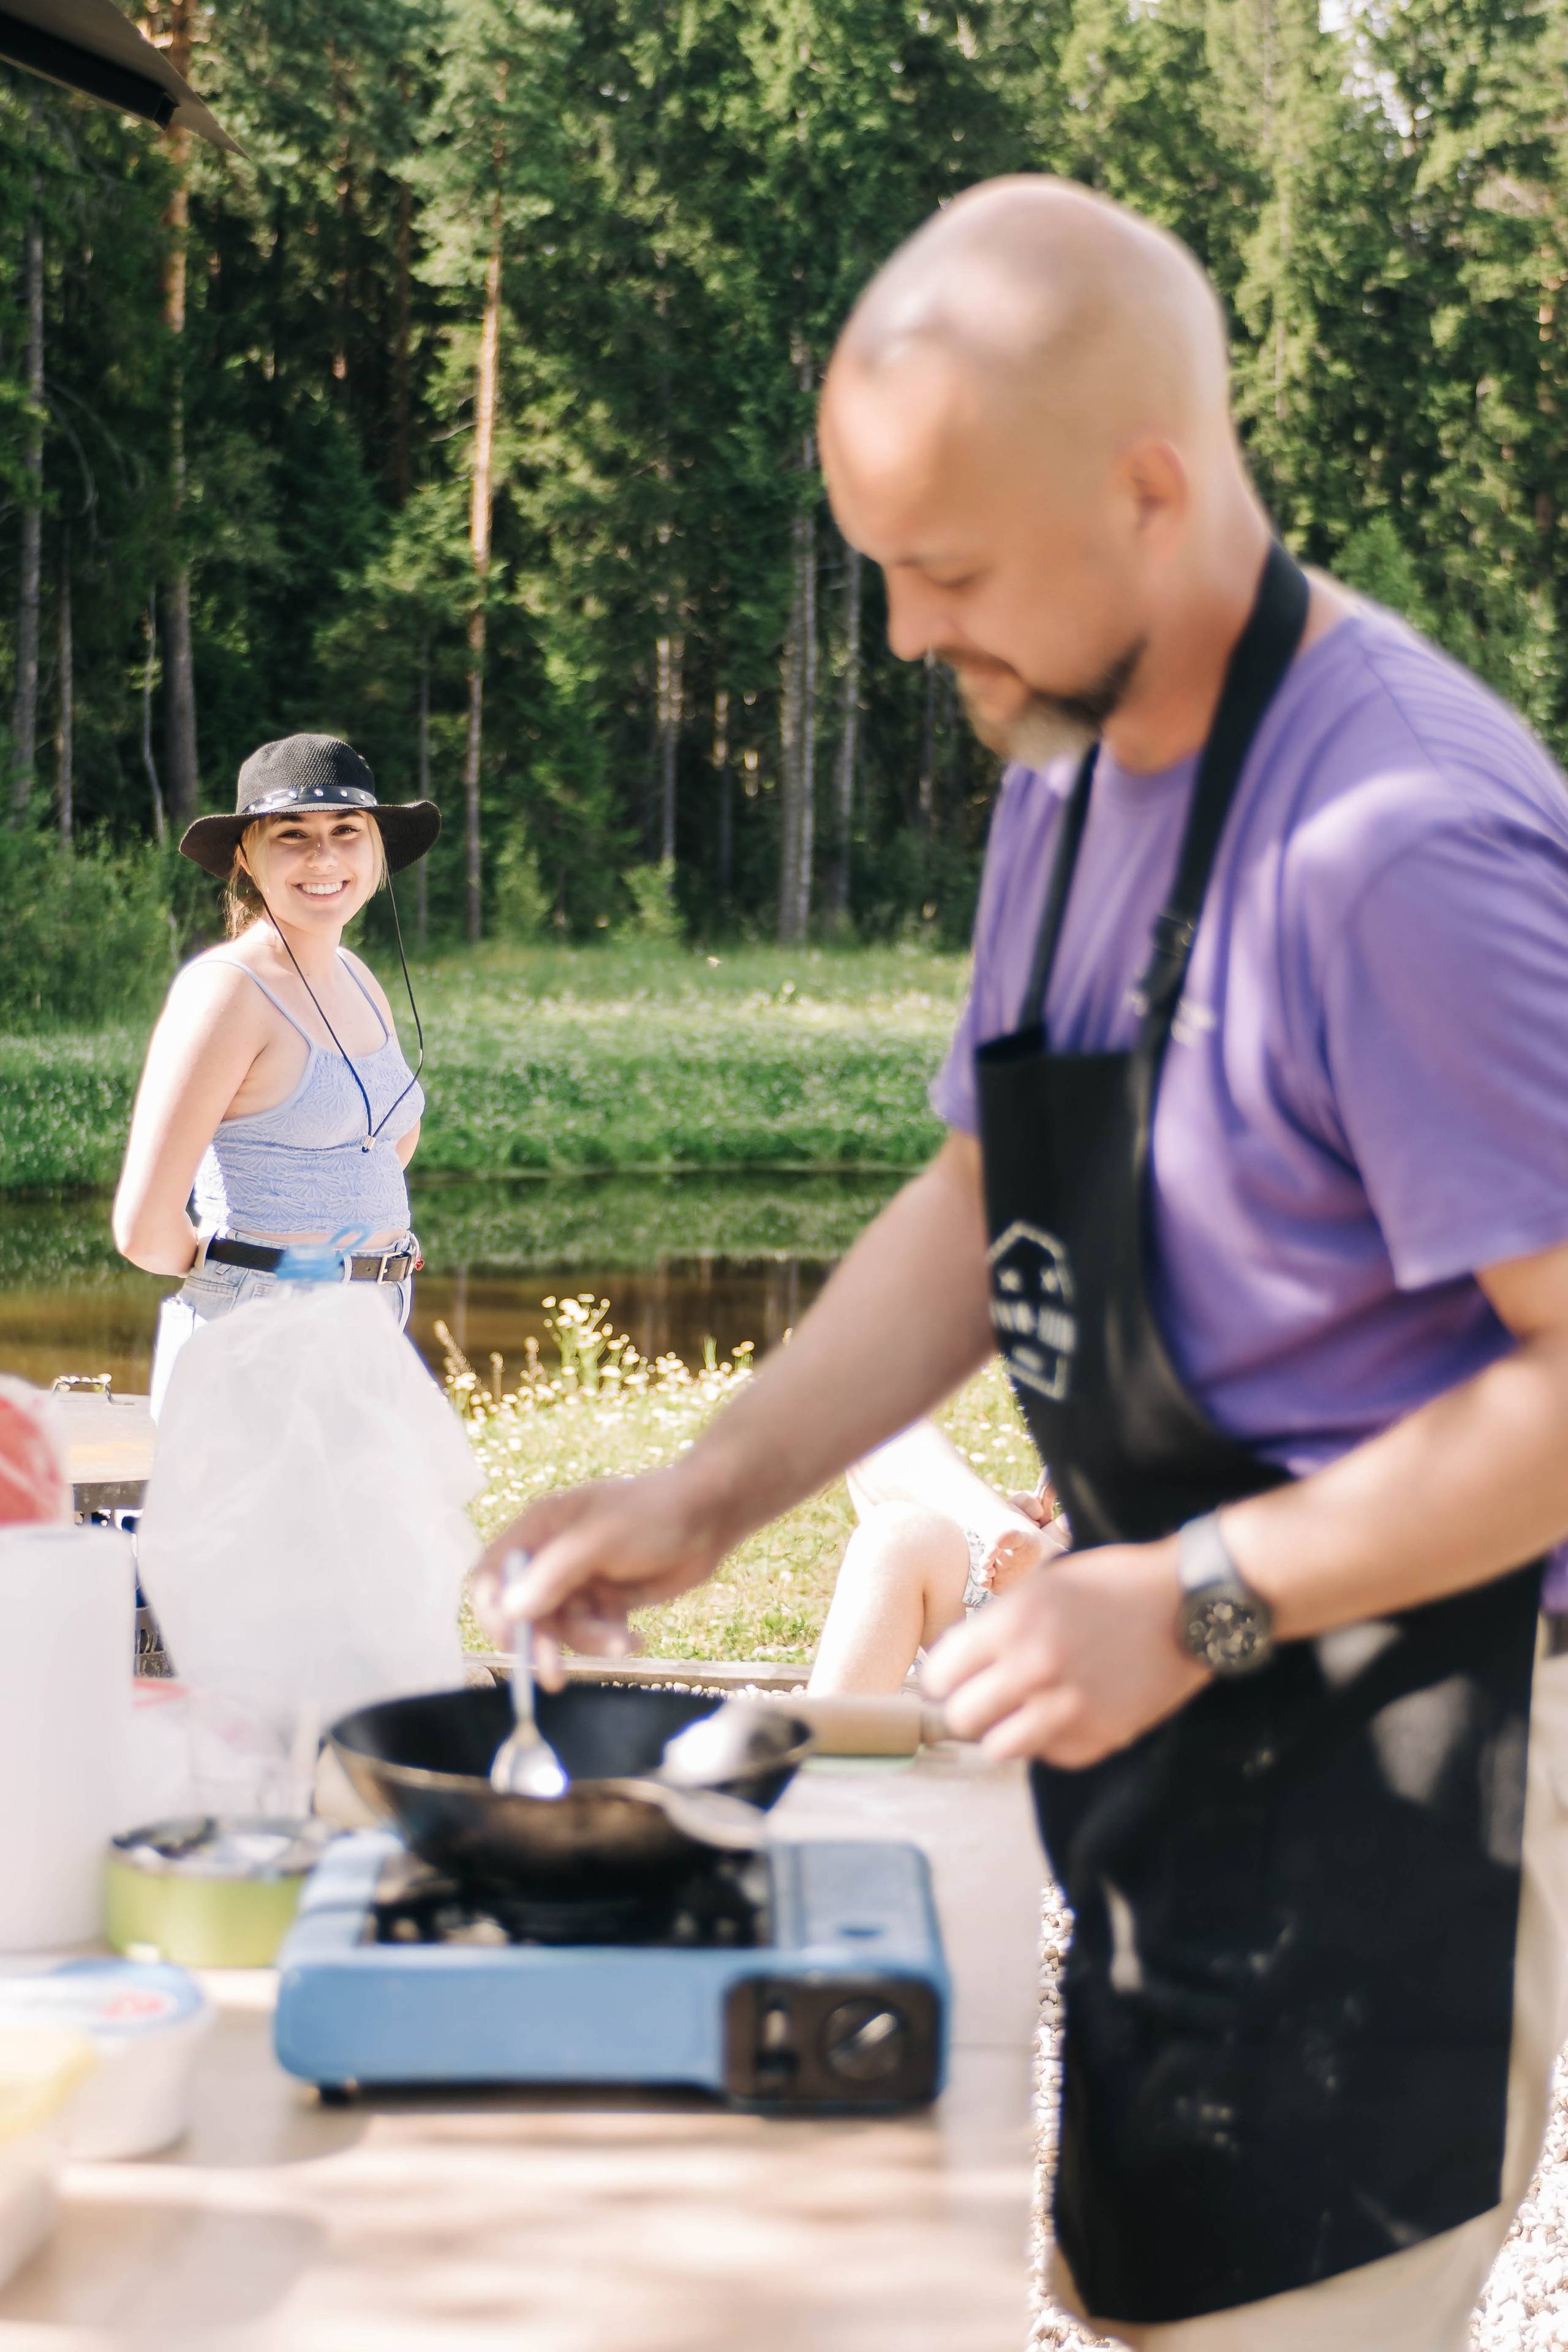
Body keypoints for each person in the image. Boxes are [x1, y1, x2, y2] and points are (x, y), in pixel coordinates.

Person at [473, 178, 1568, 2352]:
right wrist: (707, 1491)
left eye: (945, 572)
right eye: (880, 570)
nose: (900, 635)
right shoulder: (1065, 773)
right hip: (1175, 1757)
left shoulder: (1398, 847)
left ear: (1146, 491)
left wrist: (1190, 1593)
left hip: (1399, 1785)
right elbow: (994, 1194)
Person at [113, 734, 438, 1416]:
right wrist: (269, 1275)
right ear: (245, 858)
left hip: (373, 1325)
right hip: (258, 1344)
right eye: (293, 834)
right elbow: (145, 1229)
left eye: (346, 830)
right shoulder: (227, 993)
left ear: (376, 850)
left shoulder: (356, 976)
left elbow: (378, 1145)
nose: (324, 857)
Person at [807, 1418, 1065, 1695]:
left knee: (896, 1538)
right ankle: (1002, 1523)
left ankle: (1041, 1554)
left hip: (1086, 1628)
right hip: (1059, 1581)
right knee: (880, 1432)